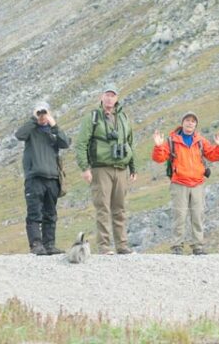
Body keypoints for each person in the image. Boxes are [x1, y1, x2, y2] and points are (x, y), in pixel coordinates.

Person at [151, 112, 219, 255]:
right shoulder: (172, 140)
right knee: (179, 215)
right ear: (182, 123)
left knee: (198, 215)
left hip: (197, 183)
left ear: (195, 124)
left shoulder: (200, 141)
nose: (190, 123)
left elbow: (213, 155)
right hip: (179, 183)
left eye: (193, 121)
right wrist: (158, 146)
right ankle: (177, 247)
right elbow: (159, 158)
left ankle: (198, 246)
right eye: (187, 120)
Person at [75, 85, 137, 255]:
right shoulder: (93, 117)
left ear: (117, 98)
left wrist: (132, 167)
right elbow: (81, 144)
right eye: (107, 95)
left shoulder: (124, 117)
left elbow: (129, 143)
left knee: (120, 208)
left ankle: (122, 246)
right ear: (101, 97)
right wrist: (85, 167)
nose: (110, 98)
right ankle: (104, 246)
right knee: (103, 207)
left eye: (113, 95)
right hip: (101, 168)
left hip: (121, 168)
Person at [15, 102, 71, 255]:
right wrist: (34, 119)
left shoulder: (53, 133)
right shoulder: (31, 131)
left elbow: (66, 143)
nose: (42, 116)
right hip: (34, 178)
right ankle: (36, 244)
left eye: (44, 113)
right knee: (34, 212)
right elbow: (19, 135)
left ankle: (49, 244)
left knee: (50, 213)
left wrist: (54, 126)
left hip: (52, 178)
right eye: (39, 113)